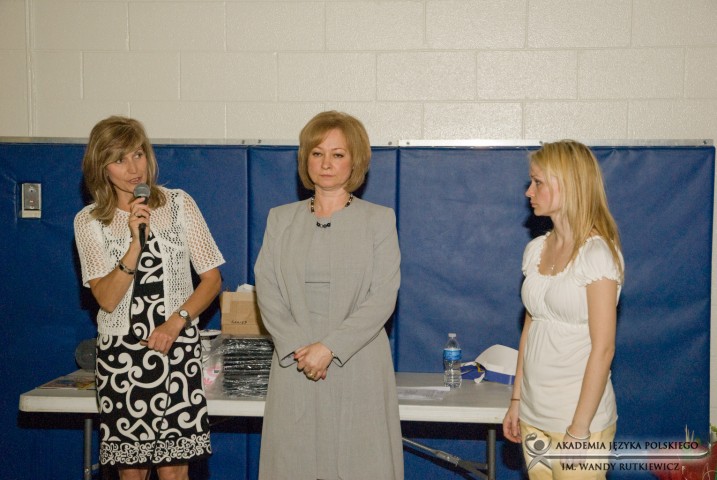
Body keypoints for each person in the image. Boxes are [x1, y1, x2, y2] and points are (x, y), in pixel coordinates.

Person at [254, 111, 403, 480]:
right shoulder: (280, 219)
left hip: (357, 361)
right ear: (305, 159)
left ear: (355, 161)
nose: (326, 163)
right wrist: (300, 348)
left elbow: (383, 295)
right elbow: (267, 287)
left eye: (338, 154)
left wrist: (330, 348)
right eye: (317, 153)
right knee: (293, 462)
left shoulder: (379, 220)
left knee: (360, 463)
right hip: (295, 362)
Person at [74, 116, 224, 480]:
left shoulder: (178, 204)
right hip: (122, 359)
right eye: (119, 159)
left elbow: (212, 280)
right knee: (132, 473)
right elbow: (107, 299)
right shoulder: (89, 221)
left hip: (176, 351)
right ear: (102, 167)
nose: (133, 168)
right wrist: (134, 246)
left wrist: (176, 323)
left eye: (138, 154)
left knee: (175, 471)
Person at [502, 140, 624, 479]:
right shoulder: (535, 250)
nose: (529, 192)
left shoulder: (597, 255)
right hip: (533, 417)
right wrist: (516, 401)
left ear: (568, 185)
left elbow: (604, 349)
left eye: (538, 182)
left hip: (578, 425)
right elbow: (530, 328)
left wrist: (579, 430)